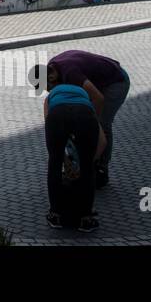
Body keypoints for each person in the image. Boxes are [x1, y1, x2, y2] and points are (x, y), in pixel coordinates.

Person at [39, 51, 130, 187]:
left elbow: (98, 98)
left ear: (51, 77)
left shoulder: (70, 74)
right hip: (97, 81)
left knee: (103, 126)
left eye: (48, 87)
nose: (49, 91)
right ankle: (83, 165)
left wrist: (94, 124)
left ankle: (101, 168)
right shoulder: (53, 70)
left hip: (116, 81)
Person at [39, 72, 107, 232]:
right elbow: (103, 142)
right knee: (88, 168)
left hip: (57, 115)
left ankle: (55, 215)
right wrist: (85, 163)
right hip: (84, 116)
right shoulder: (86, 100)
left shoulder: (50, 98)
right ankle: (86, 219)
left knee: (54, 164)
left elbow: (50, 134)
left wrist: (65, 162)